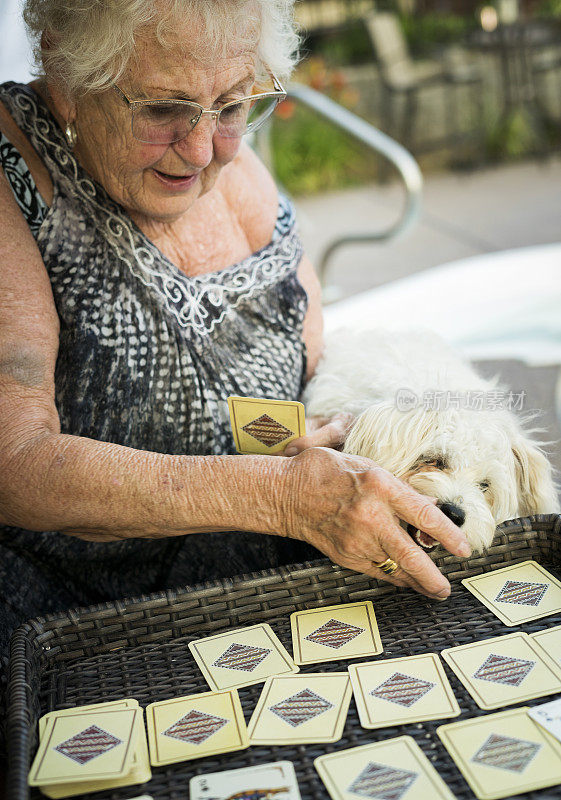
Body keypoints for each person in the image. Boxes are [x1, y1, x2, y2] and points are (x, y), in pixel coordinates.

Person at [0, 0, 471, 685]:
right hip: (78, 647)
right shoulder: (15, 177)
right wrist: (279, 496)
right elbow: (14, 460)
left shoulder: (232, 163)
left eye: (231, 103)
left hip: (266, 615)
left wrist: (344, 429)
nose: (201, 148)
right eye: (163, 109)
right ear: (67, 70)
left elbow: (286, 369)